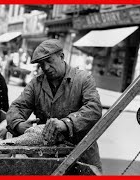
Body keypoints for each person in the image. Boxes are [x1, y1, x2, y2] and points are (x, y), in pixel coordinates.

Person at [6, 39, 103, 172]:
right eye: (41, 64)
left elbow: (94, 109)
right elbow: (17, 107)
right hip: (47, 157)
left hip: (81, 153)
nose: (45, 68)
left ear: (61, 56)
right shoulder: (36, 84)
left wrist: (67, 123)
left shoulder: (83, 79)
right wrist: (18, 124)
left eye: (49, 61)